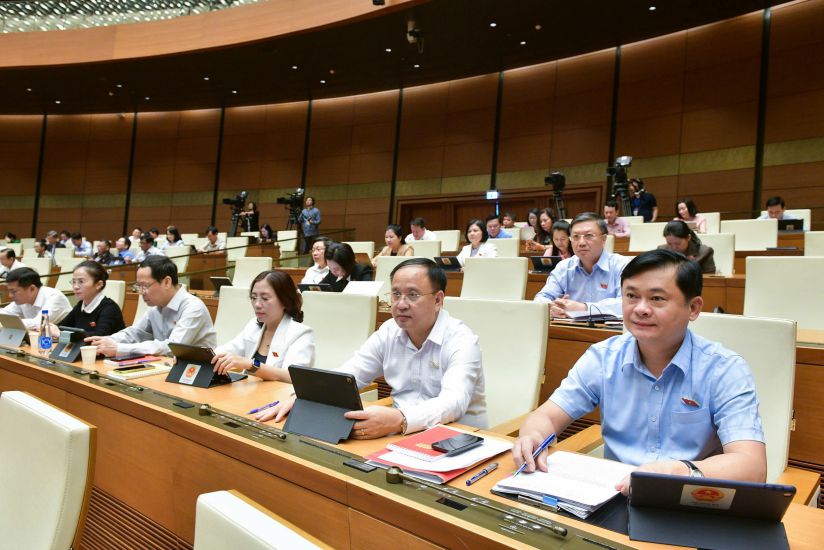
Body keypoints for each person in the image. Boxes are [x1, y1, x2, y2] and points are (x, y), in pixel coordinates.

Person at [514, 250, 766, 494]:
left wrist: (679, 472)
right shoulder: (603, 357)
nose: (641, 309)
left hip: (688, 500)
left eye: (657, 299)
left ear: (694, 308)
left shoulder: (725, 369)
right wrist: (533, 436)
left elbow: (752, 467)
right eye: (631, 296)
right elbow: (546, 416)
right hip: (612, 496)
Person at [255, 258, 487, 438]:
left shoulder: (461, 340)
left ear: (438, 300)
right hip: (397, 437)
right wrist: (305, 396)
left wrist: (400, 419)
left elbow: (453, 402)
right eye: (396, 294)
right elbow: (350, 374)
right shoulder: (389, 331)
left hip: (457, 438)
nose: (401, 304)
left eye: (413, 295)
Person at [86, 256, 216, 357]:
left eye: (145, 286)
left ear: (166, 282)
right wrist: (105, 341)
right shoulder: (155, 307)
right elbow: (134, 333)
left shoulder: (193, 307)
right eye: (138, 286)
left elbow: (172, 348)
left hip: (197, 373)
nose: (141, 292)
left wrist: (119, 348)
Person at [212, 270, 314, 382]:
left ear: (285, 301)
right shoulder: (253, 326)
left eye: (265, 298)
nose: (257, 305)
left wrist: (251, 364)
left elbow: (292, 376)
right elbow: (226, 351)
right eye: (253, 297)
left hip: (279, 397)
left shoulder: (301, 333)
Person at [534, 212, 630, 318]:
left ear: (604, 239)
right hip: (567, 330)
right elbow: (541, 297)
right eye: (575, 237)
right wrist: (550, 306)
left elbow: (627, 303)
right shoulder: (564, 267)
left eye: (589, 236)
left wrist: (584, 308)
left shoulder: (622, 266)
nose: (581, 243)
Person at [54, 261, 126, 337]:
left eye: (81, 281)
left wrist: (61, 334)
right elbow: (61, 327)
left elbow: (98, 337)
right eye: (74, 282)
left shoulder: (110, 308)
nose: (76, 286)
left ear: (99, 284)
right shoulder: (81, 305)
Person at [1, 267, 71, 329]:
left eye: (13, 291)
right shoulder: (23, 300)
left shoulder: (54, 297)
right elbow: (4, 313)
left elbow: (39, 324)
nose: (10, 295)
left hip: (65, 340)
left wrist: (10, 322)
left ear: (32, 288)